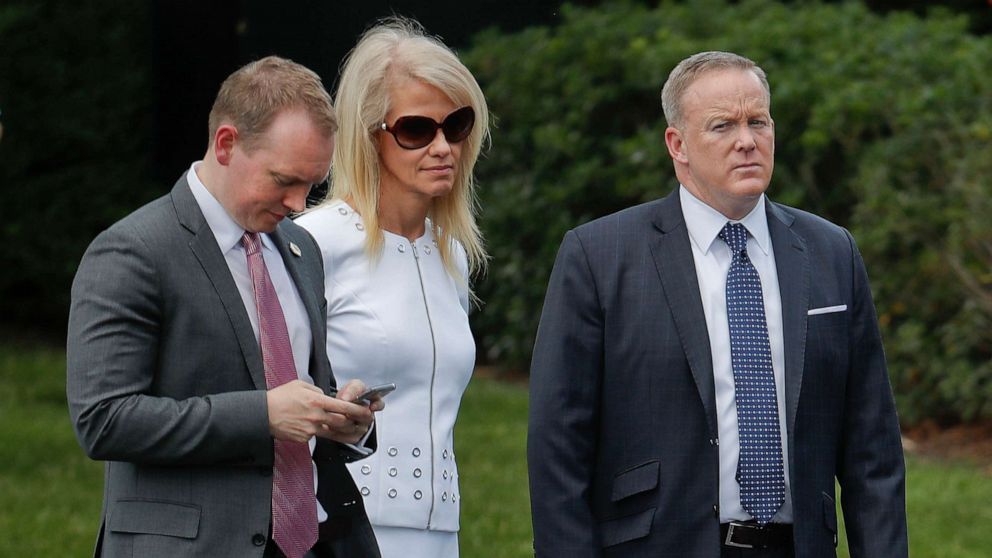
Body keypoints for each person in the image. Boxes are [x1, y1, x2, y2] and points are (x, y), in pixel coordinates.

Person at [528, 51, 907, 558]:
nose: (747, 140)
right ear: (677, 144)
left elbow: (873, 450)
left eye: (759, 121)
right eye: (723, 125)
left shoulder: (831, 250)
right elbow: (558, 447)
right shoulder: (599, 256)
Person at [67, 56, 383, 558]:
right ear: (226, 144)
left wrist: (339, 419)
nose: (300, 204)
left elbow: (296, 395)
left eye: (312, 184)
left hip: (318, 538)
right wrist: (263, 414)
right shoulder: (133, 251)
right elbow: (104, 419)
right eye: (284, 180)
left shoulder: (301, 250)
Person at [294, 17, 488, 558]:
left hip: (440, 532)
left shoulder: (449, 253)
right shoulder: (311, 243)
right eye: (416, 130)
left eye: (457, 125)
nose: (443, 146)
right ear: (368, 134)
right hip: (335, 527)